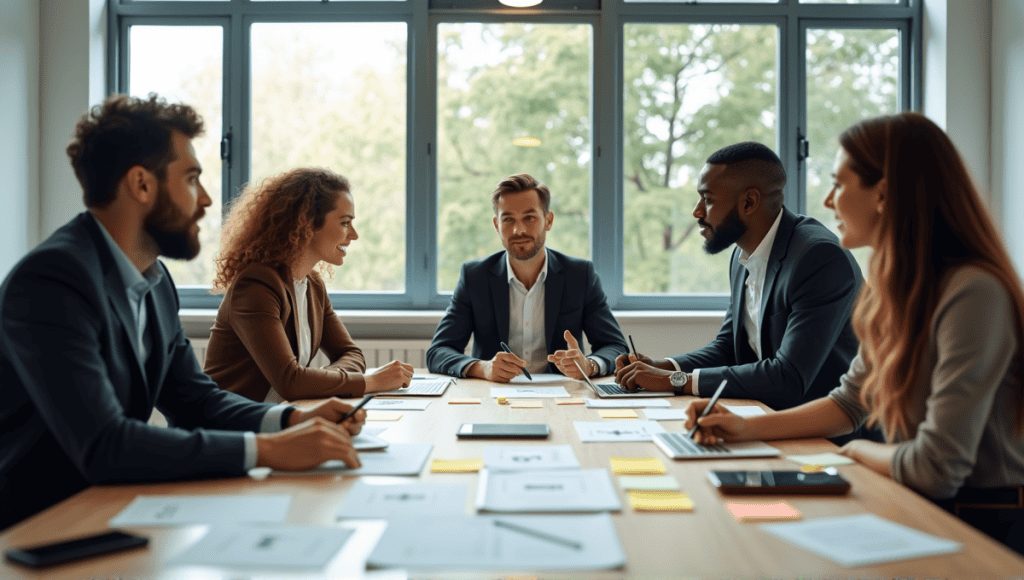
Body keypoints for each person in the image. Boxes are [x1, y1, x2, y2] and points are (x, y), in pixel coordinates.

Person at [0, 94, 367, 531]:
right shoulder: (52, 280)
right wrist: (268, 450)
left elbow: (195, 401)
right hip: (40, 525)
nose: (208, 199)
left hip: (114, 506)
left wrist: (292, 419)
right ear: (142, 184)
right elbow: (106, 443)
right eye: (192, 178)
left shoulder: (153, 280)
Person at [686, 112, 1024, 555]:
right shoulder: (894, 288)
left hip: (980, 523)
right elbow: (849, 403)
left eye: (839, 184)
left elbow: (937, 467)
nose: (827, 201)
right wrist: (742, 429)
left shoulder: (973, 292)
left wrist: (856, 453)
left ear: (882, 195)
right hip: (915, 500)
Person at [615, 142, 863, 412]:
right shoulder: (741, 255)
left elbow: (789, 377)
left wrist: (676, 380)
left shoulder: (819, 258)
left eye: (707, 200)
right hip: (767, 417)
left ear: (749, 202)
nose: (697, 212)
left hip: (828, 437)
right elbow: (728, 348)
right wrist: (663, 366)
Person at [204, 168, 413, 402]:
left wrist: (316, 381)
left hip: (281, 418)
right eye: (345, 223)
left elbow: (350, 353)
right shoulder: (255, 285)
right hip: (231, 428)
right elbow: (290, 382)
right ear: (307, 224)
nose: (354, 235)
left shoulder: (312, 284)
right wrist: (372, 382)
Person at [427, 173, 628, 382]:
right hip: (495, 396)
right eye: (508, 219)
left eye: (529, 218)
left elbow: (616, 347)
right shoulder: (474, 277)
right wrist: (482, 368)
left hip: (562, 396)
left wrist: (590, 365)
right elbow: (438, 351)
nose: (518, 230)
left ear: (548, 220)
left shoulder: (580, 275)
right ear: (497, 225)